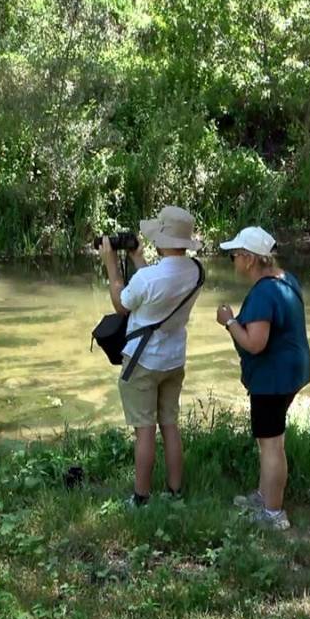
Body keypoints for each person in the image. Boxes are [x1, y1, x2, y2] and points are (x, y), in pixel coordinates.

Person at [99, 205, 203, 507]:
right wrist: (138, 259)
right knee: (169, 424)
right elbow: (158, 287)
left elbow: (122, 303)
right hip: (174, 360)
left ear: (161, 240)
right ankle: (174, 492)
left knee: (144, 429)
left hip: (143, 361)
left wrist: (111, 264)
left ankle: (141, 498)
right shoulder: (196, 271)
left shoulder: (149, 279)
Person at [216, 227, 310, 530]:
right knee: (271, 439)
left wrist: (229, 321)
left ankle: (273, 514)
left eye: (234, 255)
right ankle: (264, 495)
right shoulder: (286, 279)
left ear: (248, 259)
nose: (232, 261)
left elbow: (255, 343)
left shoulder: (263, 293)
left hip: (273, 378)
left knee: (271, 445)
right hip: (293, 371)